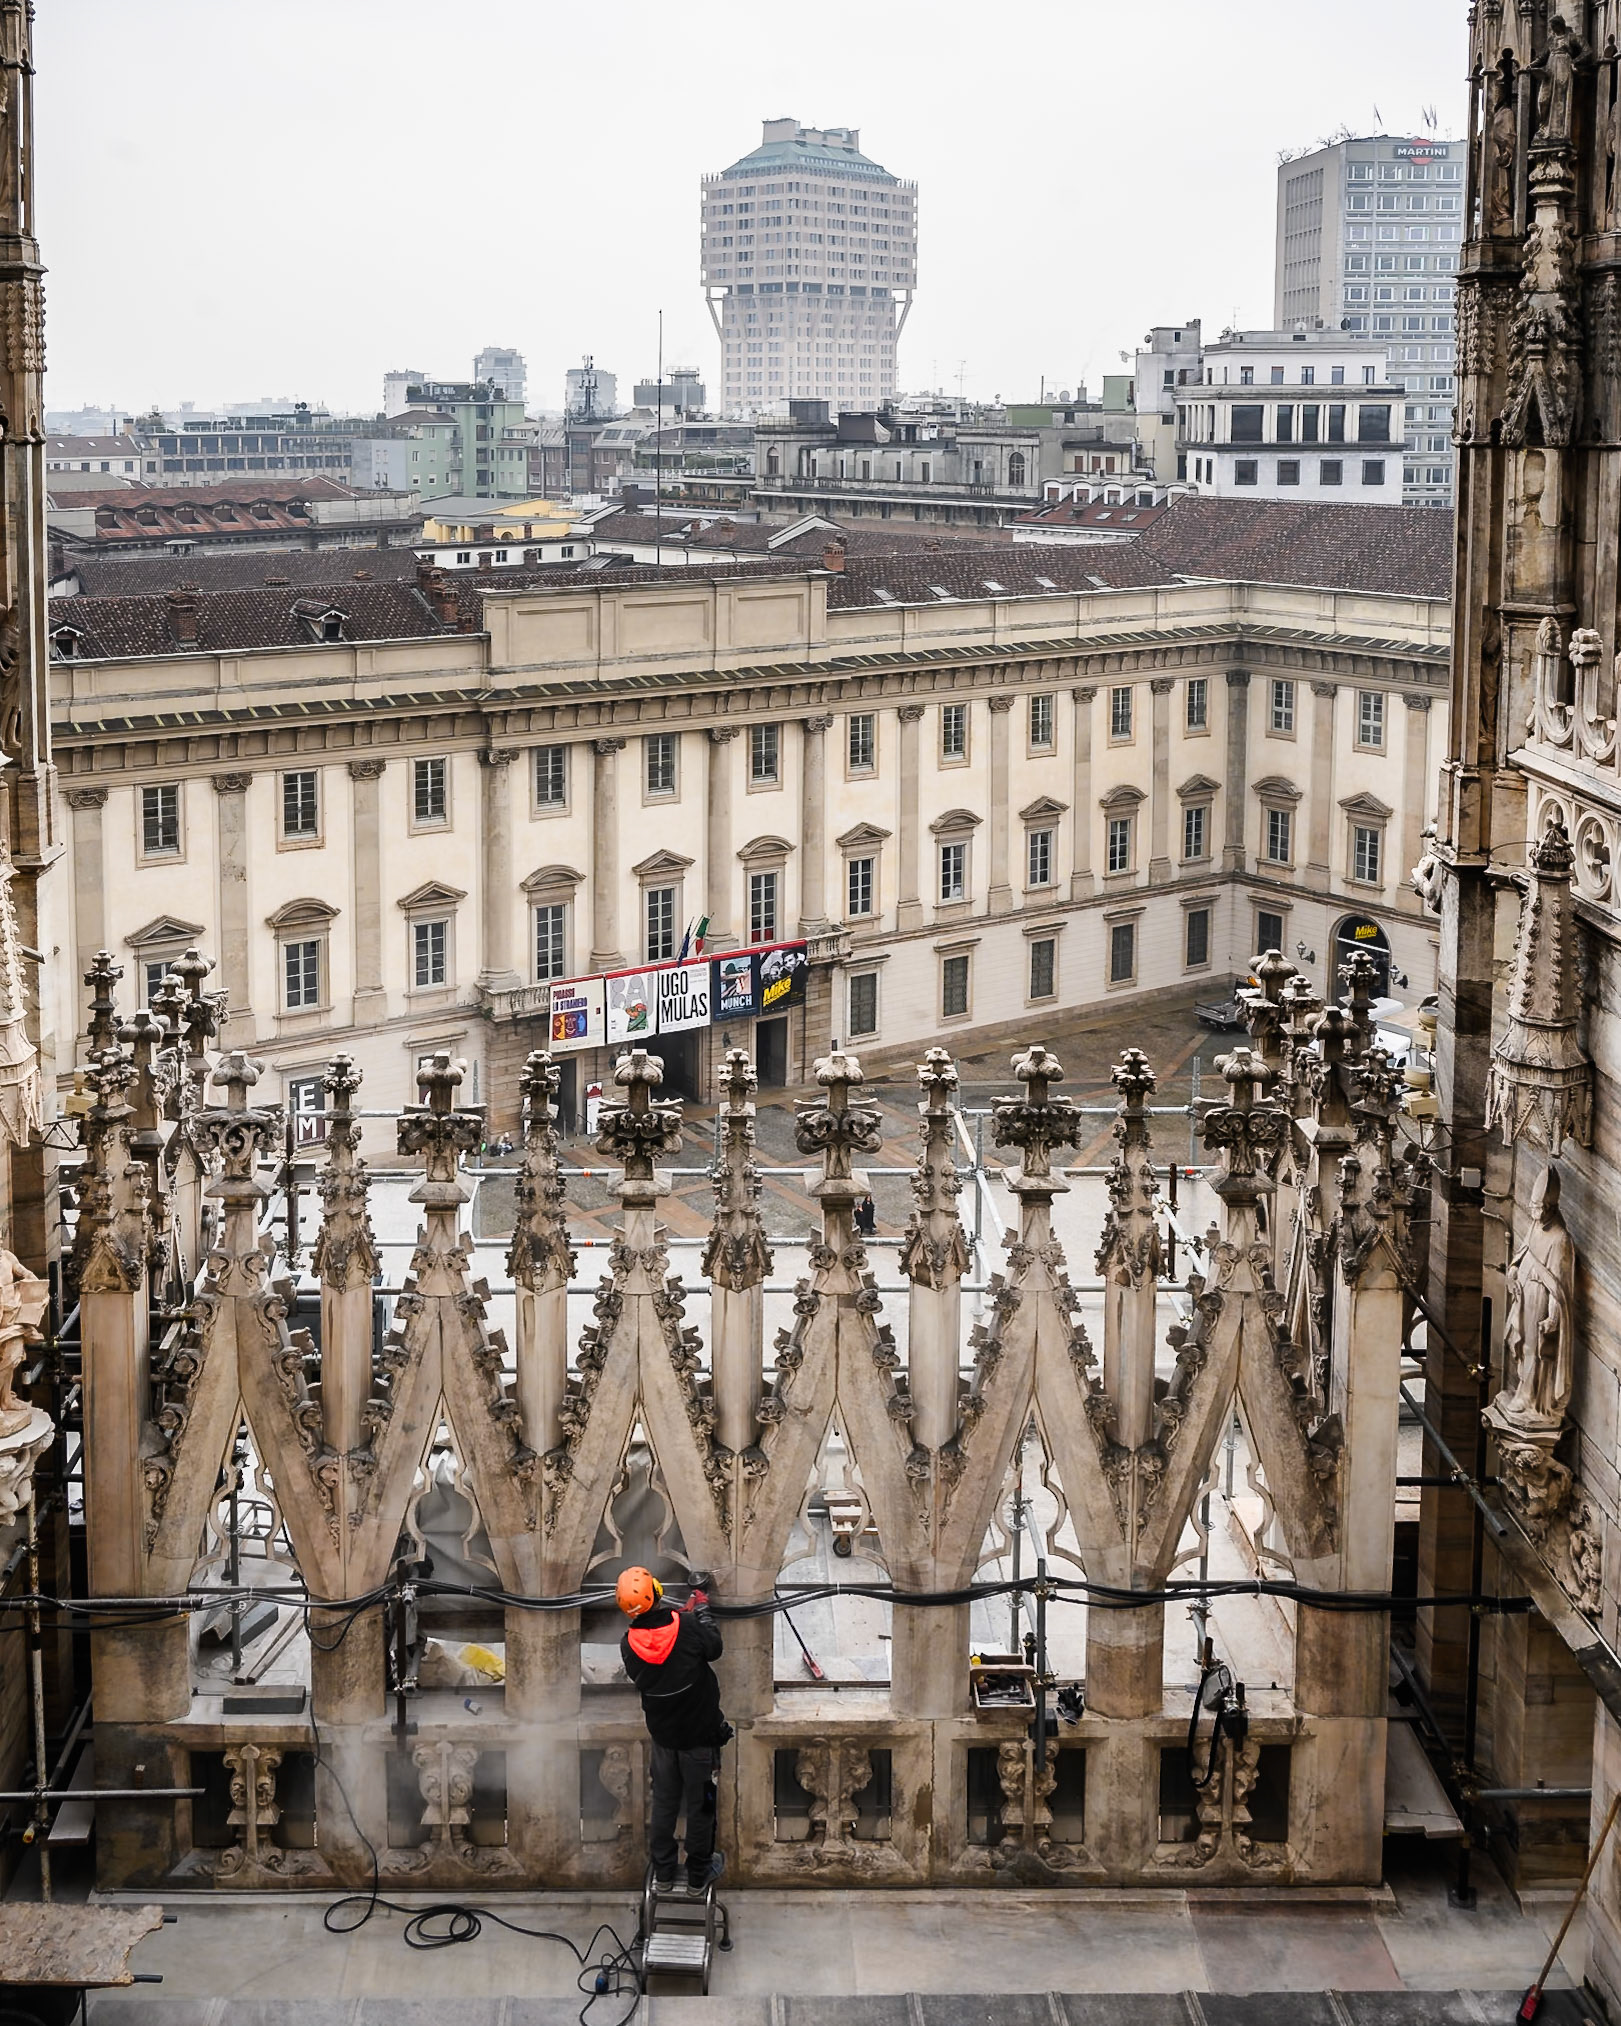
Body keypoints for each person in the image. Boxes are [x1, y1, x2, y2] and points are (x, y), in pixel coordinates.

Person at [617, 1566, 730, 1895]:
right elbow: (714, 1648)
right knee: (704, 1805)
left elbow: (660, 1645)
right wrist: (703, 1611)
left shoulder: (629, 1644)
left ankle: (664, 1873)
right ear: (656, 1591)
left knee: (664, 1804)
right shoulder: (689, 1627)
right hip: (702, 1745)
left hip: (664, 1743)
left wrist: (685, 1618)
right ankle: (698, 1874)